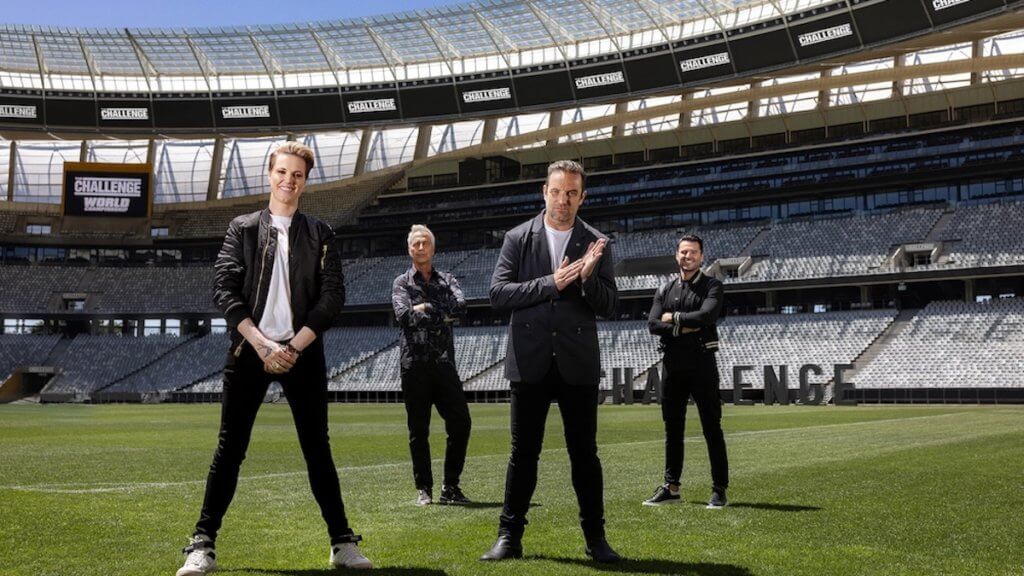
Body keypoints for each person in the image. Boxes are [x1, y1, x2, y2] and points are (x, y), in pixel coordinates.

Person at [176, 142, 371, 576]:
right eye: (282, 172)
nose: (289, 180)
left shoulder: (320, 233)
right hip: (250, 352)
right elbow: (224, 291)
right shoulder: (242, 229)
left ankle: (342, 543)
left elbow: (332, 296)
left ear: (305, 181)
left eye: (297, 174)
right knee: (230, 450)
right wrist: (262, 344)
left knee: (317, 449)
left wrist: (293, 346)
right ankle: (202, 545)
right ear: (270, 174)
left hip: (302, 351)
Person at [480, 159, 620, 563]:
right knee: (523, 454)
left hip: (577, 362)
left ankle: (596, 539)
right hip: (530, 359)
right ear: (544, 191)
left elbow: (610, 306)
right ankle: (509, 537)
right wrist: (552, 283)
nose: (563, 200)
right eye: (557, 191)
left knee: (585, 455)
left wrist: (588, 279)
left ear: (582, 197)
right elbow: (498, 295)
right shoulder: (517, 238)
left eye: (572, 193)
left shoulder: (597, 242)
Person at [643, 234, 729, 509]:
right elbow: (653, 324)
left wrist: (675, 318)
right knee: (673, 428)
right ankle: (671, 487)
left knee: (711, 427)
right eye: (683, 252)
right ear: (676, 255)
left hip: (702, 364)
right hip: (672, 365)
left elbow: (706, 317)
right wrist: (685, 327)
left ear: (701, 256)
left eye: (692, 252)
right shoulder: (665, 289)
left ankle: (719, 489)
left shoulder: (712, 285)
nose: (687, 256)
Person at [391, 224, 473, 507]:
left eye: (426, 243)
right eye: (416, 243)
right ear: (409, 249)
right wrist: (438, 312)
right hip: (414, 365)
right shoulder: (401, 283)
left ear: (433, 248)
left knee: (461, 423)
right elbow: (403, 316)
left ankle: (451, 487)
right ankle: (423, 488)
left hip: (444, 364)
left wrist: (424, 308)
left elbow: (461, 309)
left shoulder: (447, 279)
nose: (421, 247)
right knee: (419, 430)